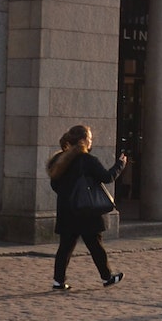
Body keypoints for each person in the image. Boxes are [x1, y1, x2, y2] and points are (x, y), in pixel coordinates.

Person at [46, 124, 128, 290]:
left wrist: (67, 195)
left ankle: (58, 281)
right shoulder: (87, 160)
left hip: (67, 210)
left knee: (65, 247)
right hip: (85, 210)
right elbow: (107, 177)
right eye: (89, 138)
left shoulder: (60, 159)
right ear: (83, 140)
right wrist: (120, 164)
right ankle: (107, 277)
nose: (91, 142)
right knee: (95, 245)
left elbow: (55, 184)